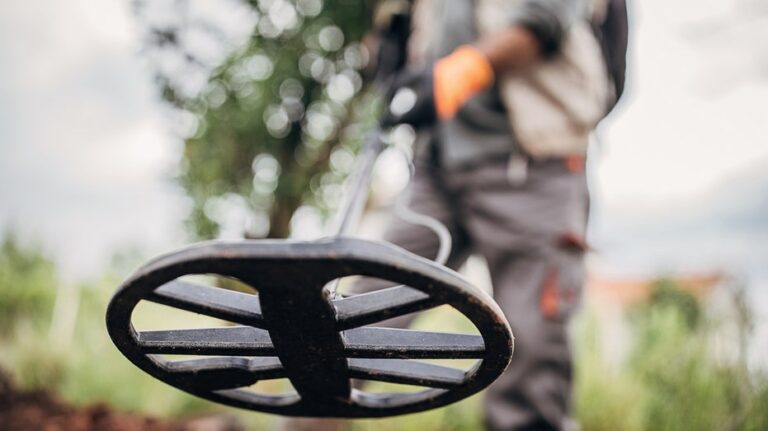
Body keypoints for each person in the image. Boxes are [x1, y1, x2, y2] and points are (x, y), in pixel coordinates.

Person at [283, 0, 627, 430]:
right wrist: (390, 40)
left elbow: (549, 13)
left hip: (533, 164)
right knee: (352, 326)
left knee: (532, 358)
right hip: (435, 171)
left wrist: (459, 73)